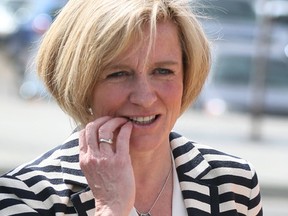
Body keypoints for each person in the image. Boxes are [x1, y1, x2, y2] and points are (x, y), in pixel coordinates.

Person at [0, 0, 263, 215]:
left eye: (163, 71)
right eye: (118, 74)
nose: (144, 97)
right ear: (81, 83)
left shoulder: (234, 184)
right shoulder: (24, 195)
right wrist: (111, 208)